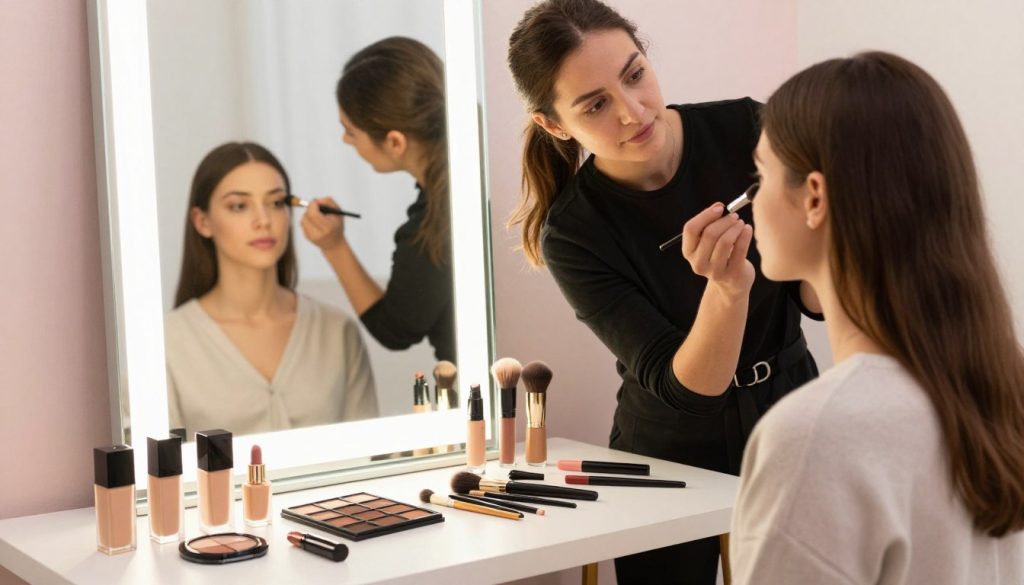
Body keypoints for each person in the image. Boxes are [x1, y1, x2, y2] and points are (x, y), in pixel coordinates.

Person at [507, 1, 821, 582]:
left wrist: (835, 233)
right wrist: (727, 291)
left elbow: (815, 299)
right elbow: (690, 390)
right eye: (595, 105)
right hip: (666, 453)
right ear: (554, 125)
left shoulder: (749, 129)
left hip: (790, 411)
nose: (632, 112)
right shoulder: (575, 232)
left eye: (634, 75)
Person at [731, 51, 1024, 583]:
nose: (750, 201)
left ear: (814, 197)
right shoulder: (996, 387)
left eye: (761, 174)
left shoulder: (817, 435)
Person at [165, 141, 378, 438]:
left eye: (276, 203)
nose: (263, 221)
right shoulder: (169, 345)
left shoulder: (337, 332)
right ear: (203, 222)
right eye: (239, 206)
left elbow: (368, 456)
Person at [301, 36, 456, 363]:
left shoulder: (433, 231)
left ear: (395, 142)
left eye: (351, 131)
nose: (345, 140)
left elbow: (395, 330)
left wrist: (334, 246)